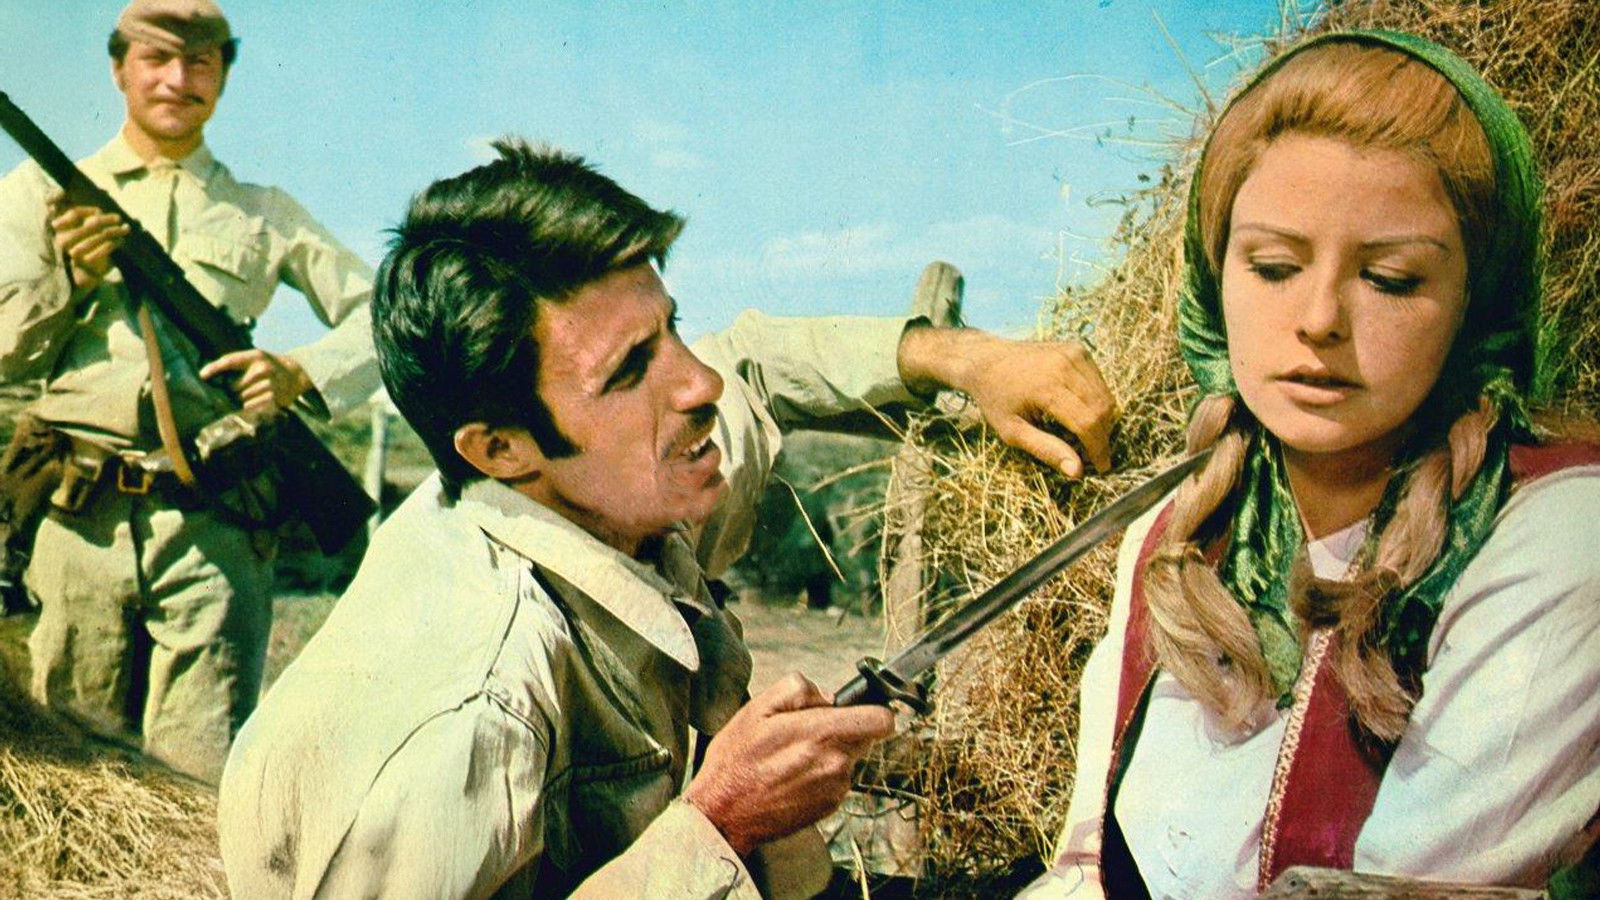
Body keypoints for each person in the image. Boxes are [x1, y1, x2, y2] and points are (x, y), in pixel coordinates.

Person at [216, 140, 1120, 899]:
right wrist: (720, 822)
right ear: (499, 449)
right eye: (628, 371)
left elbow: (755, 363)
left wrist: (966, 360)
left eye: (671, 329)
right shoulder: (473, 713)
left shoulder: (617, 483)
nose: (699, 383)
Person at [1019, 31, 1599, 899]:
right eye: (1275, 266)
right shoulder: (1172, 539)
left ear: (1476, 305)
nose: (1320, 317)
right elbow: (1086, 874)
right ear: (1214, 278)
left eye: (1392, 279)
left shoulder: (1555, 536)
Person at [0, 0, 376, 783]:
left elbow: (383, 313)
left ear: (224, 75)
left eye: (200, 60)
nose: (178, 78)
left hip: (215, 530)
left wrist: (302, 372)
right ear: (119, 69)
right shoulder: (39, 195)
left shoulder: (263, 214)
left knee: (200, 783)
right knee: (66, 777)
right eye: (156, 58)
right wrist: (70, 282)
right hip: (78, 526)